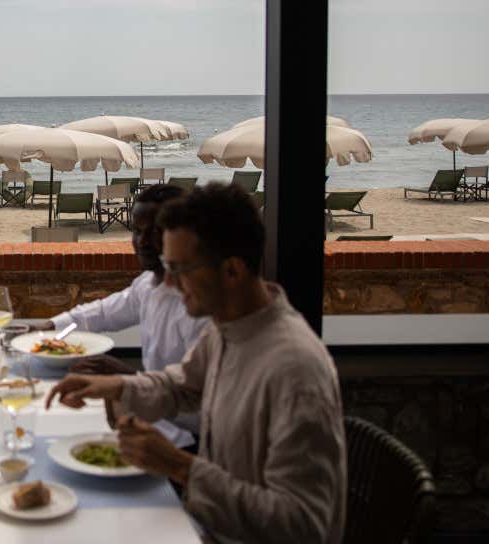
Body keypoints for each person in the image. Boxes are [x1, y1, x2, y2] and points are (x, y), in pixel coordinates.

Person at [46, 184, 346, 544]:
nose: (168, 282)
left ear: (232, 271)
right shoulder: (228, 329)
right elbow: (181, 386)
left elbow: (302, 526)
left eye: (179, 269)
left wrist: (178, 466)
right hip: (206, 525)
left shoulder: (293, 370)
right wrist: (118, 387)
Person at [34, 183, 207, 447]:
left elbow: (203, 413)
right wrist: (48, 328)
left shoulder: (200, 309)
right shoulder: (148, 284)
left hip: (181, 442)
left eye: (156, 232)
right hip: (144, 421)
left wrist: (125, 380)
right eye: (137, 231)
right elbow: (100, 313)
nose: (143, 242)